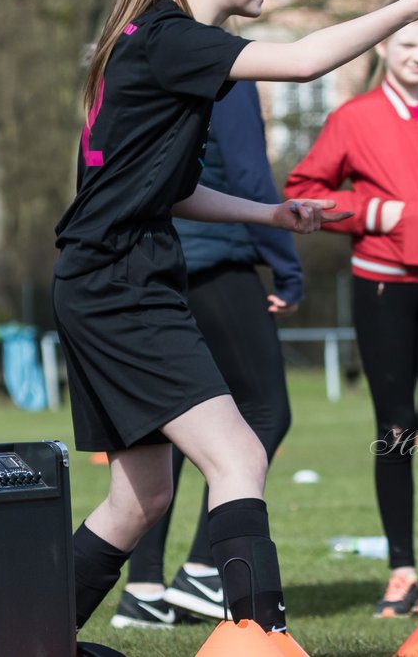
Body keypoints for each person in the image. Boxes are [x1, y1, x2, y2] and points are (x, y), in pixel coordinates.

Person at [52, 0, 418, 654]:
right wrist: (410, 7)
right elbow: (302, 62)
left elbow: (168, 186)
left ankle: (21, 637)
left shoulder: (157, 40)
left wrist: (268, 215)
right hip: (118, 281)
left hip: (108, 274)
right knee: (240, 454)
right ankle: (263, 638)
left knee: (141, 496)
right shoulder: (174, 38)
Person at [284, 11, 418, 618]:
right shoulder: (352, 119)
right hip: (381, 288)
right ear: (384, 48)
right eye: (408, 43)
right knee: (394, 428)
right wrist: (373, 214)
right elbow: (305, 190)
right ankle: (400, 571)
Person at [111, 79, 303, 630]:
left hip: (146, 259)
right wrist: (285, 266)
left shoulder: (131, 60)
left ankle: (144, 589)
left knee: (171, 419)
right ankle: (202, 570)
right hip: (214, 259)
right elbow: (247, 174)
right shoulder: (225, 68)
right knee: (266, 408)